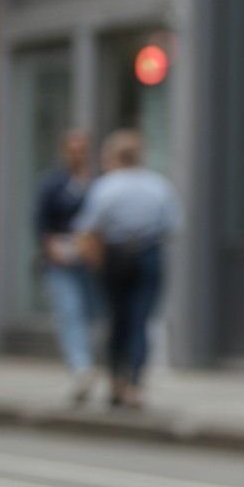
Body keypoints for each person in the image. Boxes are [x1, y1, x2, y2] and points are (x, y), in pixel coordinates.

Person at [73, 130, 182, 409]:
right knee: (141, 320)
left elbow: (88, 228)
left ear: (114, 157)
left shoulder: (106, 187)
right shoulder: (159, 186)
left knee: (117, 321)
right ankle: (134, 383)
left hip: (115, 256)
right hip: (148, 254)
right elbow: (171, 226)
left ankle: (115, 382)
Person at [34, 128, 99, 405]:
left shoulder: (96, 184)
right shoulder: (52, 184)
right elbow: (41, 224)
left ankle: (86, 361)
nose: (77, 155)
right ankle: (81, 368)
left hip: (89, 263)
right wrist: (52, 248)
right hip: (60, 261)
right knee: (69, 311)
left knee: (91, 315)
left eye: (82, 150)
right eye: (73, 150)